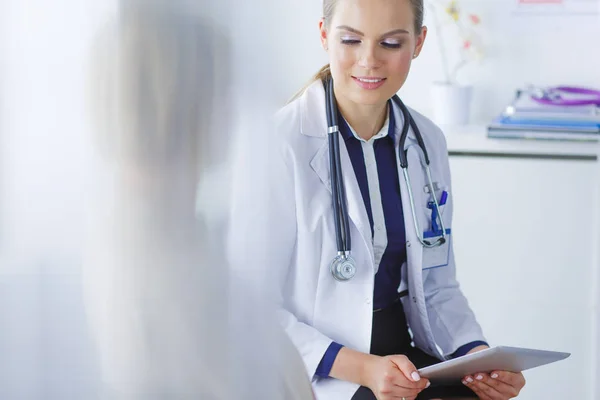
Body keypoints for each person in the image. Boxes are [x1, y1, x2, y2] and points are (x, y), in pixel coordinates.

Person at [229, 0, 527, 399]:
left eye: (390, 43)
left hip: (397, 349)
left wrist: (477, 357)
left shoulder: (426, 142)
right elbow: (249, 306)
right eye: (351, 40)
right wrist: (362, 368)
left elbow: (437, 285)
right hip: (315, 362)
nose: (369, 60)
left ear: (419, 43)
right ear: (323, 35)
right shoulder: (276, 144)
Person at [82, 1, 315, 398]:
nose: (231, 111)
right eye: (222, 91)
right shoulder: (158, 269)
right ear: (181, 103)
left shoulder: (182, 234)